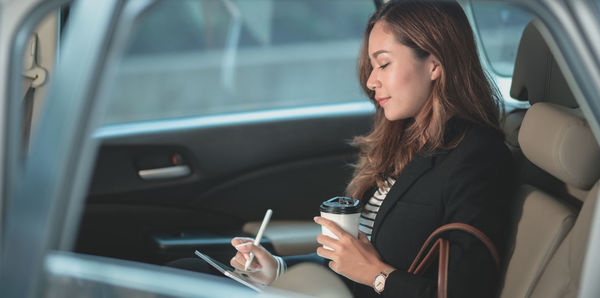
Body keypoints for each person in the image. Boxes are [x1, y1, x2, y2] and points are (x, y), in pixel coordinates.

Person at [228, 1, 514, 297]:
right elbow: (352, 266)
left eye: (384, 63)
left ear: (435, 64)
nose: (370, 80)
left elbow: (464, 292)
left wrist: (376, 275)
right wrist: (277, 270)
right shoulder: (405, 142)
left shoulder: (477, 156)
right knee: (192, 269)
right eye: (372, 66)